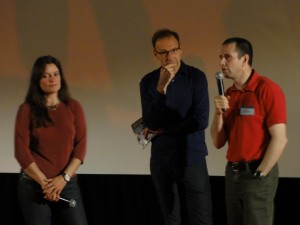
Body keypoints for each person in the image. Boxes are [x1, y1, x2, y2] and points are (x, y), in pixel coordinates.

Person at [210, 37, 288, 225]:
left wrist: (261, 174)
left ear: (244, 60)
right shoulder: (228, 93)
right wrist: (218, 113)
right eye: (221, 57)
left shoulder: (267, 89)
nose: (221, 63)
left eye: (227, 57)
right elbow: (217, 142)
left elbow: (280, 138)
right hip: (233, 173)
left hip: (256, 172)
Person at [140, 28, 212, 225]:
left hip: (192, 157)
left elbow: (200, 120)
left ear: (181, 50)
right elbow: (151, 123)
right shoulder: (148, 82)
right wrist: (161, 89)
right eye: (163, 52)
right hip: (162, 159)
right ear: (155, 54)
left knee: (201, 218)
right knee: (170, 218)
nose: (169, 56)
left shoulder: (196, 77)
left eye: (173, 50)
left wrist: (165, 131)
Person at [14, 55, 88, 225]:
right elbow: (21, 152)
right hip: (34, 185)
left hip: (67, 184)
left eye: (55, 74)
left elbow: (80, 148)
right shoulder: (26, 110)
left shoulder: (73, 107)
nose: (52, 79)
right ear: (37, 80)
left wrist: (63, 179)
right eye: (45, 75)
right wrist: (45, 184)